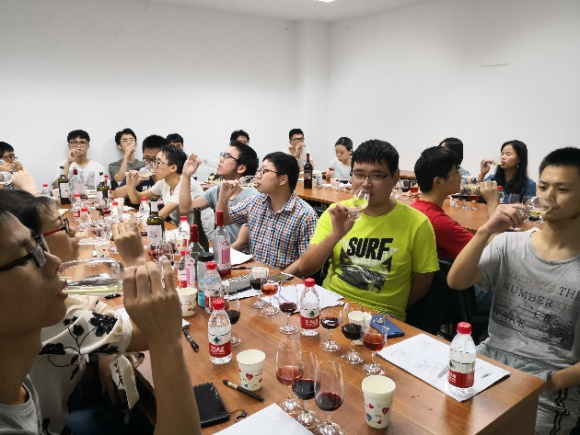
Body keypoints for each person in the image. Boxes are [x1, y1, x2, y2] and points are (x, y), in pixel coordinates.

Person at [448, 147, 580, 435]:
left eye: (563, 189)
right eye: (543, 186)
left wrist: (553, 382)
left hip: (547, 386)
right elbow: (457, 281)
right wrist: (486, 230)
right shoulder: (509, 243)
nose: (548, 197)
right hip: (488, 362)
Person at [0, 190, 147, 434]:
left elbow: (90, 307)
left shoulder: (20, 377)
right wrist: (137, 261)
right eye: (30, 252)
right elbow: (157, 331)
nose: (53, 261)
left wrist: (110, 345)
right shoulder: (50, 311)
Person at [300, 140, 439, 321]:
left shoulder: (417, 223)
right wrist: (336, 235)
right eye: (359, 174)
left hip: (381, 315)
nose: (366, 184)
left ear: (395, 177)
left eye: (377, 176)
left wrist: (394, 309)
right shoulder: (337, 213)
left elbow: (423, 283)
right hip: (332, 304)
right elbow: (306, 268)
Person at [216, 151, 318, 274]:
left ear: (283, 179)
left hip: (286, 280)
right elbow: (222, 220)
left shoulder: (305, 214)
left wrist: (278, 279)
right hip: (255, 276)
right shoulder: (255, 201)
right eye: (259, 171)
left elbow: (305, 259)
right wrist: (224, 196)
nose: (258, 176)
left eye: (264, 171)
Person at [412, 146, 499, 260]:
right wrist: (493, 203)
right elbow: (492, 254)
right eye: (456, 172)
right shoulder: (440, 222)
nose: (460, 176)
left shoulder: (416, 206)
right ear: (438, 181)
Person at [179, 141, 258, 249]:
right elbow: (185, 208)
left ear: (241, 168)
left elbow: (242, 243)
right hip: (220, 248)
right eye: (222, 155)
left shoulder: (253, 197)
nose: (221, 159)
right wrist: (186, 175)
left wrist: (218, 255)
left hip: (240, 255)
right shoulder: (219, 188)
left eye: (227, 156)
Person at [126, 144, 213, 231]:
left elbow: (160, 216)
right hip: (184, 230)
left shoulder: (185, 184)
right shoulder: (164, 182)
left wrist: (135, 221)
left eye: (158, 163)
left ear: (173, 167)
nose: (154, 166)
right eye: (154, 162)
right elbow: (136, 199)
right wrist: (130, 185)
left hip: (202, 233)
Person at [113, 134, 165, 198]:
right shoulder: (139, 172)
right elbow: (116, 195)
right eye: (147, 158)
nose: (151, 163)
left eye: (155, 159)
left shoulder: (171, 173)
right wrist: (133, 184)